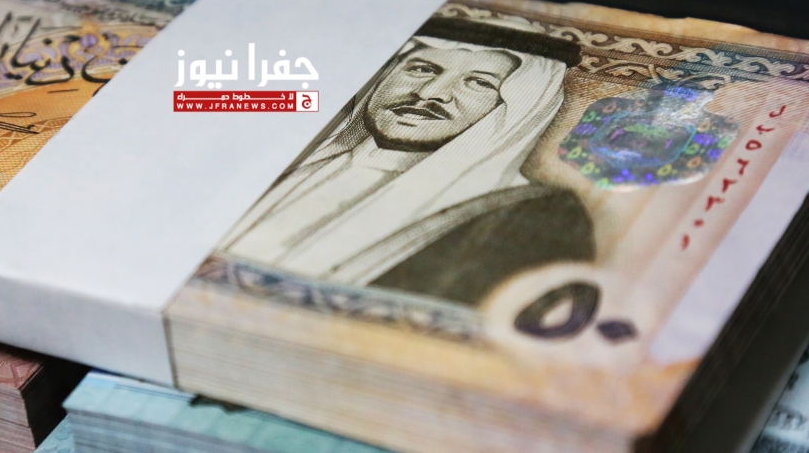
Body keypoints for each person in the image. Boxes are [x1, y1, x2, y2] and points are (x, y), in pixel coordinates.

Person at [220, 15, 595, 306]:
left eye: (479, 83)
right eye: (422, 69)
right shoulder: (273, 165)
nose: (431, 93)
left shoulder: (529, 213)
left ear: (516, 109)